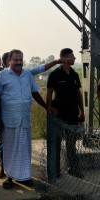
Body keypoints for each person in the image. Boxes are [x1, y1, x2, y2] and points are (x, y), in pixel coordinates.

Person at [0, 52, 66, 179]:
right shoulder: (2, 76)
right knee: (9, 150)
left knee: (24, 150)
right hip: (9, 120)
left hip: (24, 119)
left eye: (20, 60)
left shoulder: (27, 74)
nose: (18, 62)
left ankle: (25, 177)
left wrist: (46, 106)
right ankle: (9, 177)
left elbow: (35, 93)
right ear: (9, 61)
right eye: (15, 60)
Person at [47, 48, 85, 179]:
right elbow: (49, 92)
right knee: (56, 143)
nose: (74, 58)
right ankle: (55, 170)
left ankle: (73, 168)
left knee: (71, 143)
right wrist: (49, 108)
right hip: (59, 114)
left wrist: (82, 111)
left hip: (73, 113)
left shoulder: (74, 74)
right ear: (65, 57)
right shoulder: (55, 74)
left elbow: (78, 94)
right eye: (72, 56)